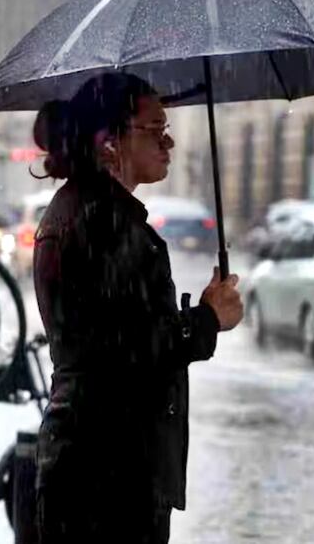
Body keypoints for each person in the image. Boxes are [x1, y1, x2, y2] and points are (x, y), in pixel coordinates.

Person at [31, 73, 243, 543]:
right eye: (154, 129)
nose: (168, 141)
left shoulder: (90, 211)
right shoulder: (103, 224)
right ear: (109, 142)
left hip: (97, 463)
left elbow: (118, 338)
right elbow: (131, 349)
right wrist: (209, 318)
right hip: (110, 475)